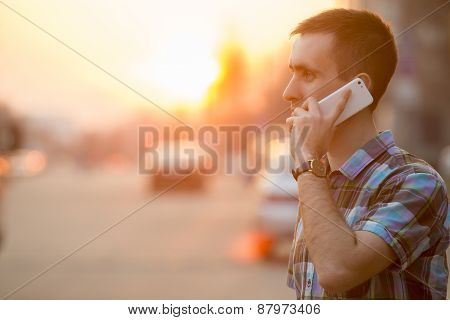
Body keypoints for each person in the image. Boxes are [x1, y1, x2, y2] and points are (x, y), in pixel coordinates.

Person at [284, 9, 449, 299]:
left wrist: (308, 166)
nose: (288, 92)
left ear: (355, 90)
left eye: (307, 74)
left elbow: (338, 271)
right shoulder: (319, 181)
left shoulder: (416, 182)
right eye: (292, 73)